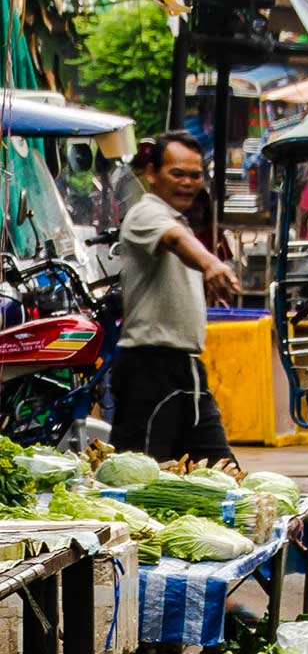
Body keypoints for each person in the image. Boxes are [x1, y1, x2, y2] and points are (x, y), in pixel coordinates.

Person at [110, 130, 240, 462]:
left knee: (222, 474)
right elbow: (174, 239)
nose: (187, 183)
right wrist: (211, 263)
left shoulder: (175, 219)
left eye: (195, 175)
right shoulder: (146, 213)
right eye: (177, 173)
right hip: (148, 370)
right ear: (152, 174)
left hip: (188, 369)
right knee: (140, 480)